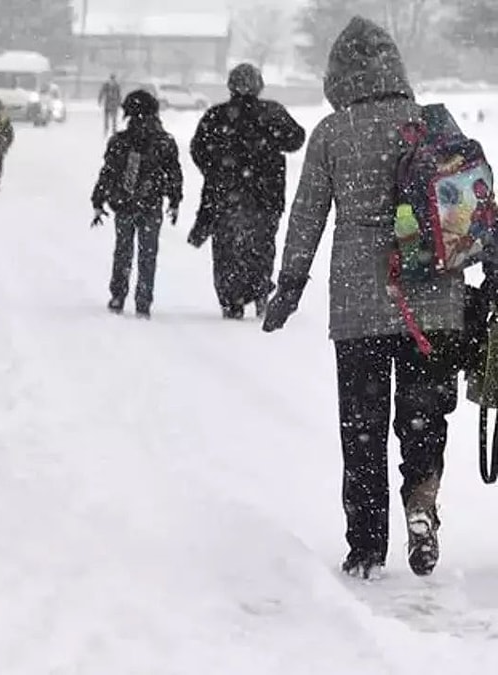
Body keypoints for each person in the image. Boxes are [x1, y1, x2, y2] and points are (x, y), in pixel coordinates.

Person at [262, 16, 482, 579]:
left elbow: (307, 215)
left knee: (362, 426)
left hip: (360, 303)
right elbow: (469, 205)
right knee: (424, 418)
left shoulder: (333, 134)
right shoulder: (431, 123)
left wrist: (289, 285)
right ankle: (422, 505)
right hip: (433, 300)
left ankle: (365, 548)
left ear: (338, 75)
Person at [189, 63, 306, 319]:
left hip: (225, 197)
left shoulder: (216, 116)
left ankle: (232, 299)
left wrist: (216, 170)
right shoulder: (272, 112)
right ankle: (260, 289)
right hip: (266, 196)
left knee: (226, 251)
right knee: (261, 247)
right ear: (258, 85)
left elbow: (198, 149)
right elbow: (296, 139)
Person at [90, 90, 183, 318]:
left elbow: (108, 173)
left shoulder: (120, 141)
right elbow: (174, 173)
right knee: (147, 253)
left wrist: (99, 199)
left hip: (124, 203)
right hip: (151, 204)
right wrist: (174, 199)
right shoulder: (164, 142)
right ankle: (143, 300)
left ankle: (118, 295)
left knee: (123, 250)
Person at [98, 74, 122, 138]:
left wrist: (100, 100)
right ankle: (110, 129)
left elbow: (102, 92)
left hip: (110, 103)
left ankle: (109, 129)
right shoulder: (114, 85)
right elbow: (119, 94)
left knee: (110, 118)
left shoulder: (112, 85)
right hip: (111, 103)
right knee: (111, 118)